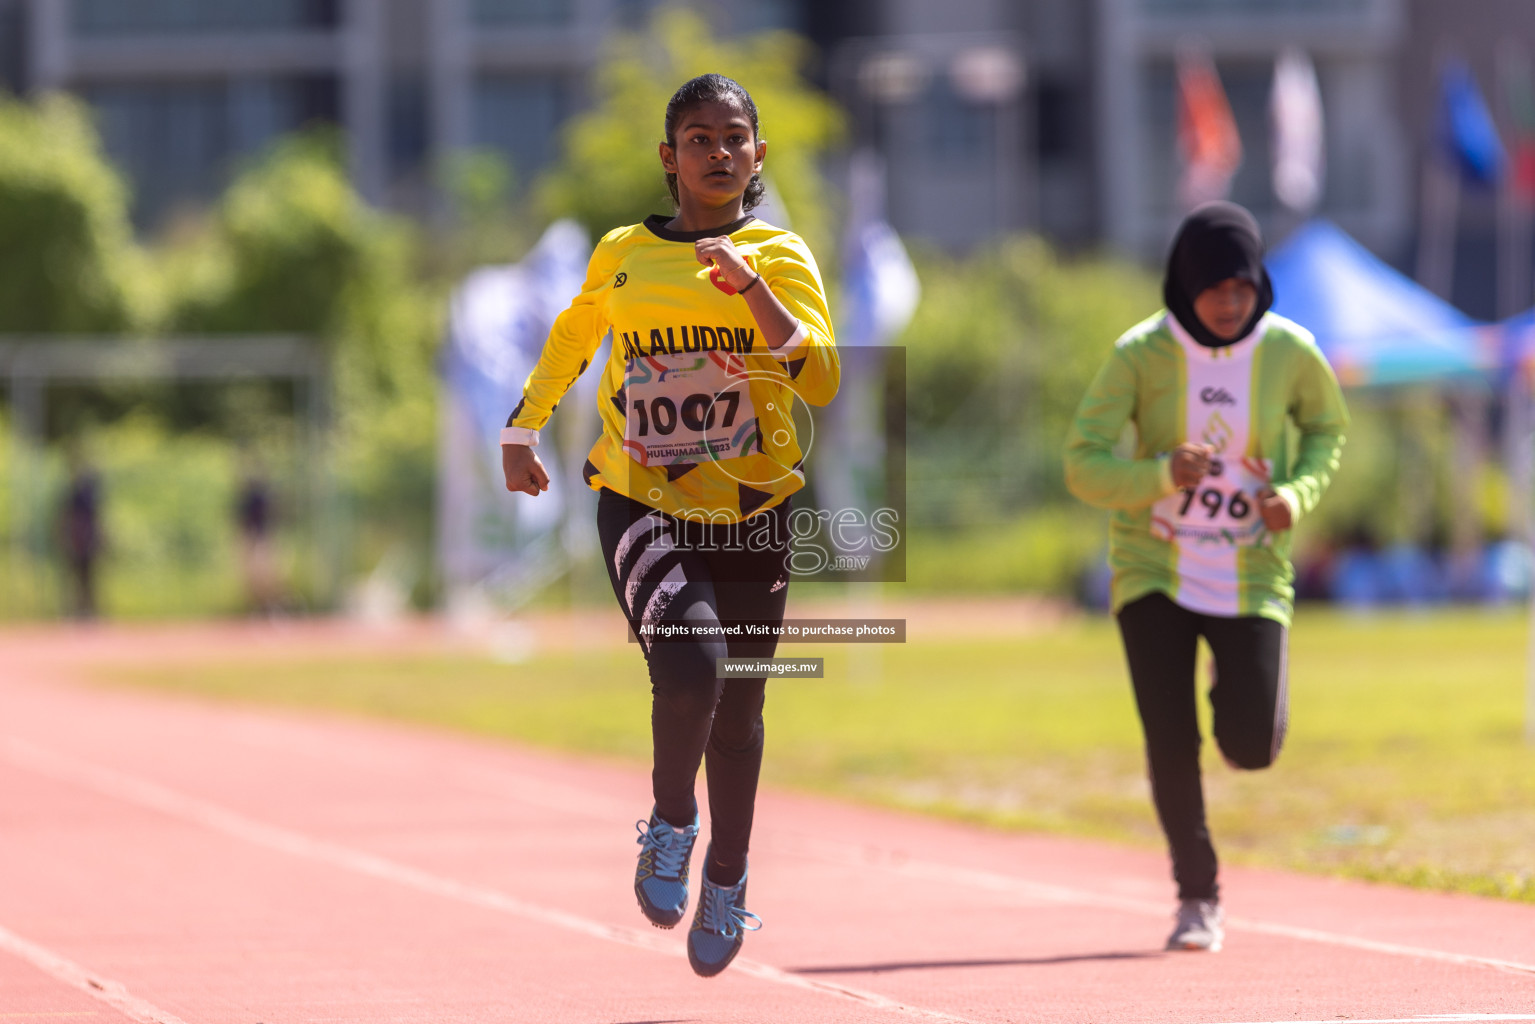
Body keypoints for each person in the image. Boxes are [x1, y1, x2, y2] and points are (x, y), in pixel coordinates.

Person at [499, 73, 838, 977]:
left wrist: (753, 289)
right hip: (641, 498)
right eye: (698, 138)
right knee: (690, 669)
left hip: (752, 512)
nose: (718, 153)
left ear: (757, 155)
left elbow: (821, 379)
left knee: (742, 706)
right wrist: (521, 424)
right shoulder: (622, 253)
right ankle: (671, 823)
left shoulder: (782, 254)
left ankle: (727, 879)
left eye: (734, 138)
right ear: (669, 157)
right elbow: (574, 334)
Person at [1063, 201, 1348, 952]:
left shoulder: (1289, 351)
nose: (1229, 304)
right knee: (1169, 737)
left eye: (1242, 289)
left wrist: (1295, 494)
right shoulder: (1138, 355)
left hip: (1250, 571)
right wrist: (1159, 474)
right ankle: (1197, 894)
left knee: (1251, 746)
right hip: (1152, 567)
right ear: (1183, 286)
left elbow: (1325, 429)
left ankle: (1234, 678)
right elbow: (1082, 461)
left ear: (1260, 287)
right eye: (1214, 289)